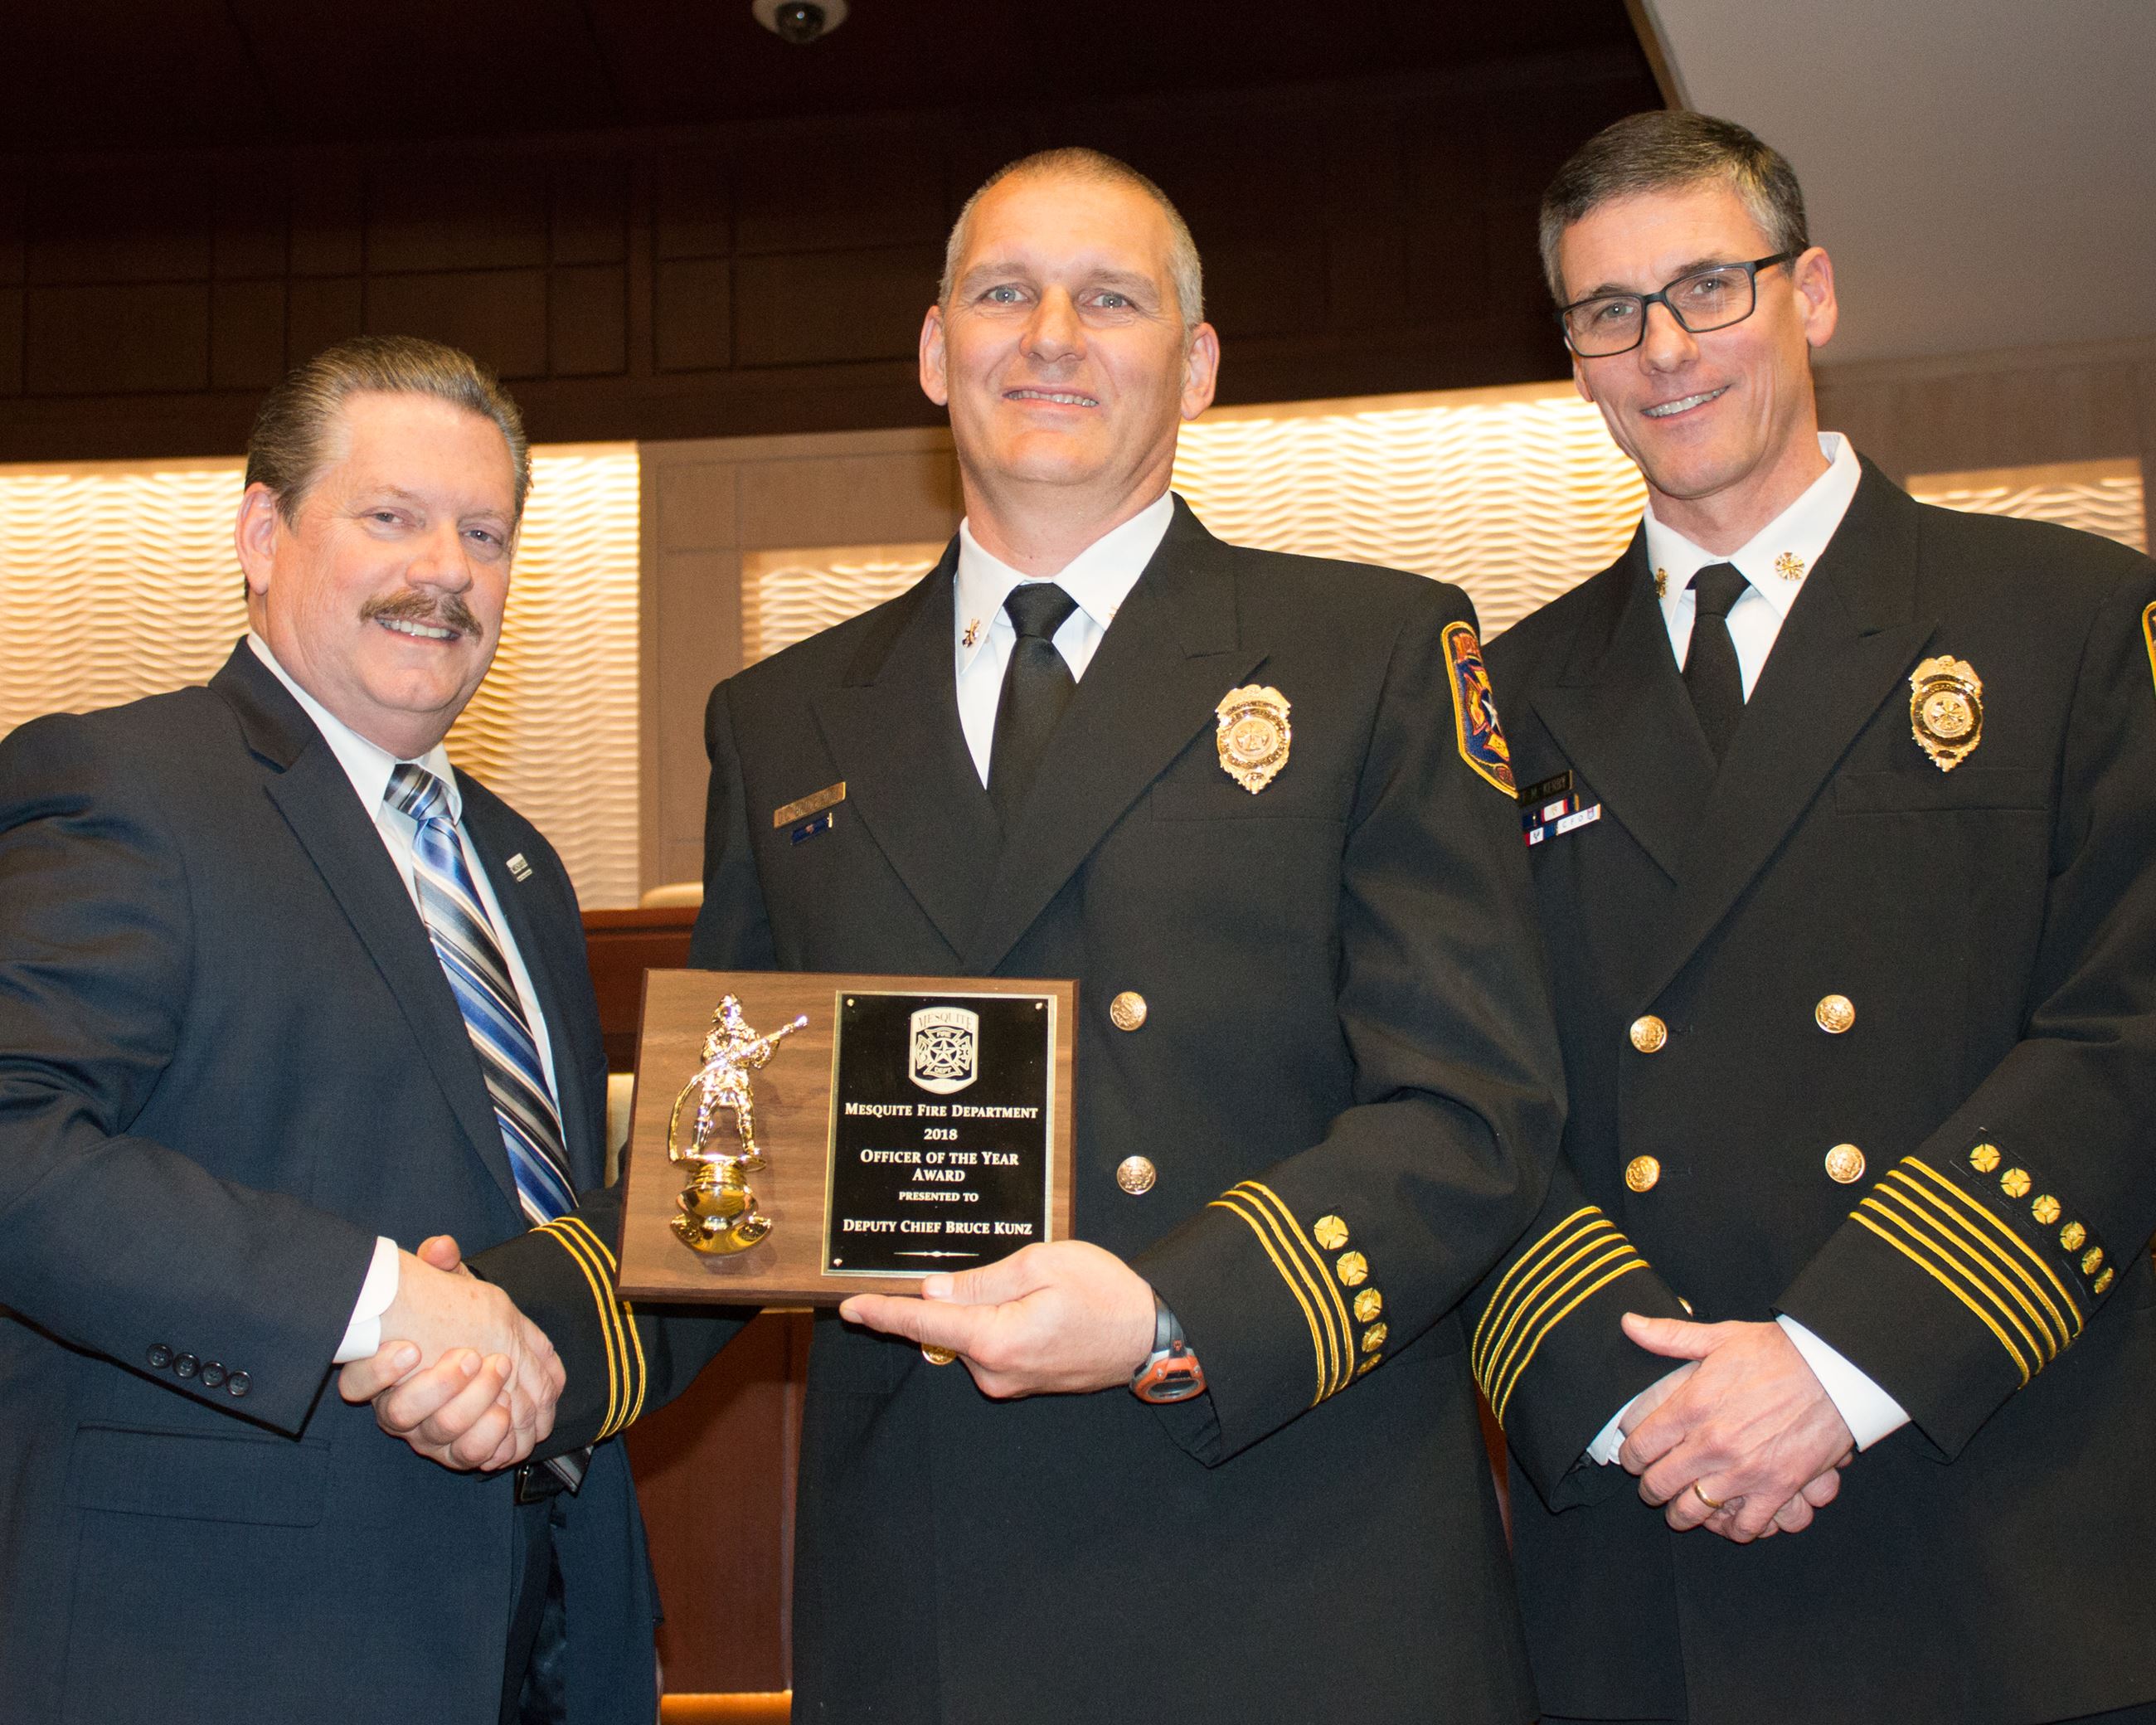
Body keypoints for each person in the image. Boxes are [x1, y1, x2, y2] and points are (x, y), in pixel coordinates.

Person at [380, 146, 1569, 1723]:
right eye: (1003, 292)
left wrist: (1168, 1308)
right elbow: (733, 1172)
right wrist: (511, 1327)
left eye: (1112, 298)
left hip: (1299, 1562)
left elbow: (1473, 1115)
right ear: (937, 350)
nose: (1051, 335)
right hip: (930, 1591)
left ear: (1197, 366)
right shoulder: (787, 715)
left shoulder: (1374, 652)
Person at [1473, 110, 2156, 1725]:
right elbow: (1462, 1088)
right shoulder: (1495, 700)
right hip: (1656, 1528)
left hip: (1996, 1521)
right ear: (1572, 353)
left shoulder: (2067, 618)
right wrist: (1628, 1397)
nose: (1663, 348)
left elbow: (2130, 1022)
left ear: (1814, 291)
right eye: (1607, 311)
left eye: (1709, 286)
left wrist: (1842, 1362)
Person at [0, 337, 671, 1725]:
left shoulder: (521, 864)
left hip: (545, 1628)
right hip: (227, 1646)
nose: (447, 571)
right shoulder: (127, 782)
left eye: (484, 534)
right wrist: (372, 1302)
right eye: (392, 517)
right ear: (261, 532)